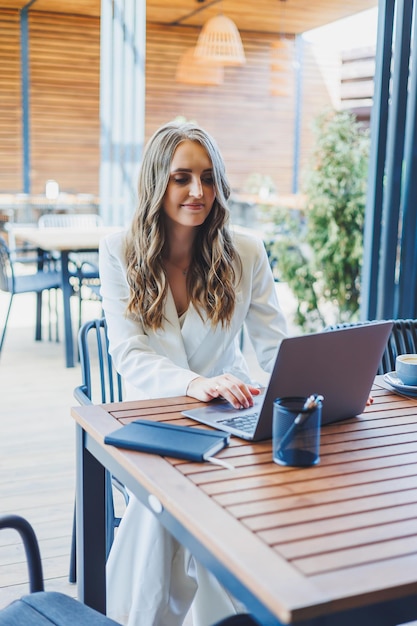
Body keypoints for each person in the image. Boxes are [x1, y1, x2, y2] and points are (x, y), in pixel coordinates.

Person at [99, 120, 288, 626]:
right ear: (157, 182)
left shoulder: (245, 251)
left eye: (207, 177)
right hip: (154, 420)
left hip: (232, 421)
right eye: (182, 177)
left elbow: (275, 351)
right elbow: (129, 354)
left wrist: (312, 388)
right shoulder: (119, 251)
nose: (197, 192)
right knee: (161, 512)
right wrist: (195, 384)